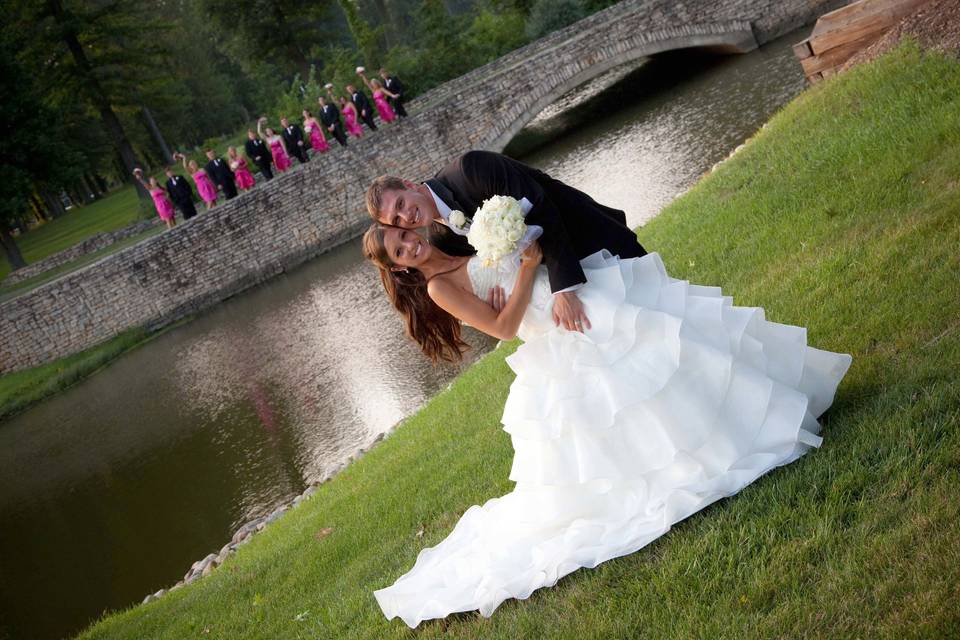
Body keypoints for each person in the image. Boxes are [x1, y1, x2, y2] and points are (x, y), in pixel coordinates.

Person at [363, 225, 852, 627]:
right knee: (629, 396)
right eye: (400, 250)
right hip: (550, 329)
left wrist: (523, 252)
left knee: (664, 359)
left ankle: (745, 418)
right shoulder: (437, 286)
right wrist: (529, 267)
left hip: (570, 300)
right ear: (400, 266)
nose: (410, 243)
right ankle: (702, 457)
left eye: (403, 234)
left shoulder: (449, 241)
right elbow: (502, 329)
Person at [365, 149, 647, 332]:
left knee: (652, 316)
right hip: (553, 293)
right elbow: (486, 276)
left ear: (409, 185)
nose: (406, 216)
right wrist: (495, 303)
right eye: (396, 220)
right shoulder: (440, 238)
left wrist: (564, 289)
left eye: (401, 203)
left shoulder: (470, 170)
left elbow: (541, 206)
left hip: (589, 240)